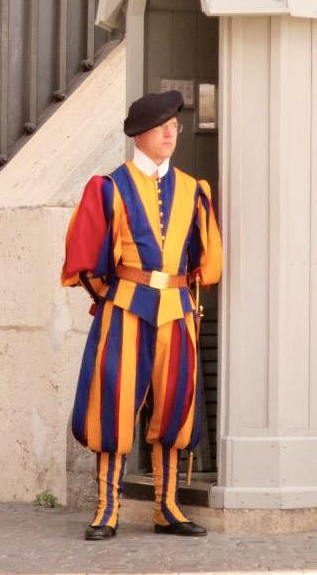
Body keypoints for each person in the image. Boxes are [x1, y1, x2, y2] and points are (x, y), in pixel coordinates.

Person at [61, 89, 223, 540]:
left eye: (175, 124)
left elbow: (203, 263)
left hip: (176, 310)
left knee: (174, 407)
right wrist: (114, 298)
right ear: (140, 134)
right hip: (125, 310)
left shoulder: (194, 191)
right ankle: (106, 509)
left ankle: (167, 508)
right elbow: (86, 261)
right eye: (162, 126)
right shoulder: (109, 187)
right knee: (112, 403)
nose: (172, 132)